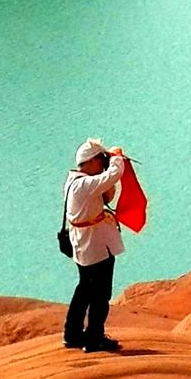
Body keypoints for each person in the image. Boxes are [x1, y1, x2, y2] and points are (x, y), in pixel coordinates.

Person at [64, 138, 131, 354]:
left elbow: (106, 188)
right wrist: (116, 157)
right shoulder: (84, 185)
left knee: (84, 289)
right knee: (101, 294)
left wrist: (109, 160)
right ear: (91, 161)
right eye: (100, 160)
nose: (102, 163)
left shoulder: (74, 180)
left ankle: (72, 333)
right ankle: (94, 338)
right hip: (94, 247)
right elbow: (114, 174)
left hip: (84, 244)